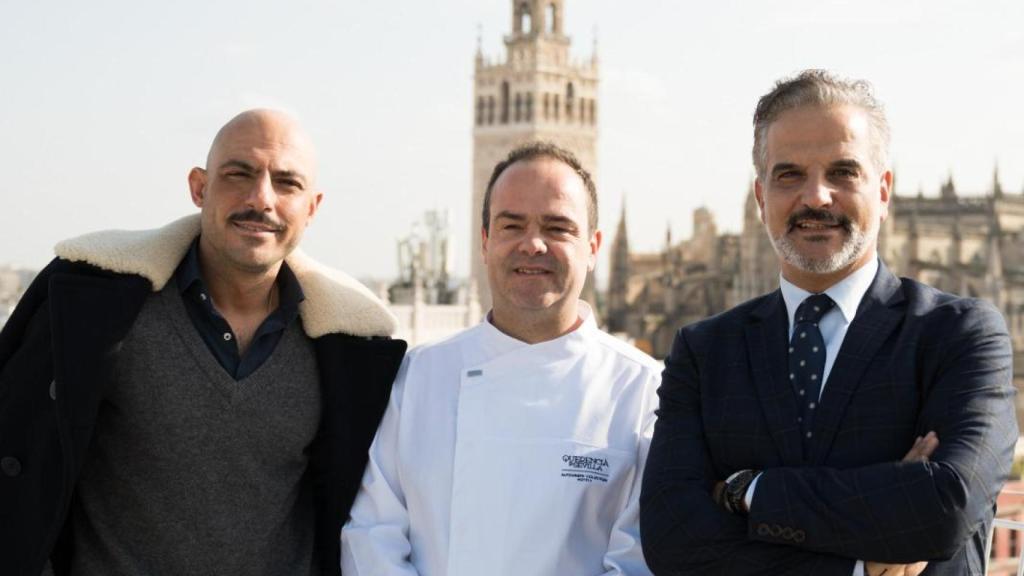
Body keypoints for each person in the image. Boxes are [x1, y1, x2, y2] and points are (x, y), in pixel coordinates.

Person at [640, 70, 1017, 576]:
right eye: (789, 174)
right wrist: (862, 562)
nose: (816, 197)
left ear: (884, 192)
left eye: (843, 172)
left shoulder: (959, 334)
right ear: (760, 197)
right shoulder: (704, 352)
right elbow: (672, 542)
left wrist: (746, 491)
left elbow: (945, 508)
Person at [0, 109, 406, 576]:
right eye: (239, 174)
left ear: (312, 207)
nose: (261, 199)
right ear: (199, 187)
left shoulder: (350, 349)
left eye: (287, 183)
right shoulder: (94, 302)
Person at [341, 142, 659, 575]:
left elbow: (640, 557)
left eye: (557, 227)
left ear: (593, 248)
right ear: (485, 242)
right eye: (512, 226)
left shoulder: (644, 390)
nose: (532, 244)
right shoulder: (417, 377)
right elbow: (372, 535)